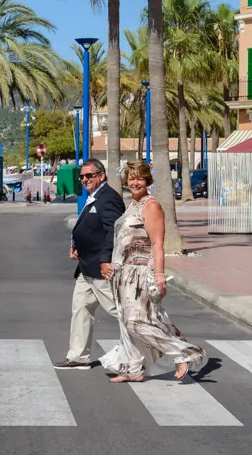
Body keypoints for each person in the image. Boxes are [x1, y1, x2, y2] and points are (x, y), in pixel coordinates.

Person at [100, 159, 206, 382]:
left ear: (147, 179)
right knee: (125, 323)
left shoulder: (151, 206)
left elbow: (158, 244)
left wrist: (159, 275)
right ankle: (134, 369)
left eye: (139, 178)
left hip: (138, 273)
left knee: (135, 321)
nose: (135, 182)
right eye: (131, 178)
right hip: (122, 273)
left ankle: (182, 352)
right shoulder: (133, 204)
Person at [54, 158, 126, 370]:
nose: (84, 180)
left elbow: (113, 232)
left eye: (89, 176)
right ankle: (78, 357)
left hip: (100, 268)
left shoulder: (108, 198)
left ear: (101, 176)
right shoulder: (94, 197)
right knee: (81, 310)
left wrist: (105, 260)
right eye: (82, 176)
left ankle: (152, 345)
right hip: (86, 267)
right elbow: (89, 227)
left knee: (122, 311)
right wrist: (76, 244)